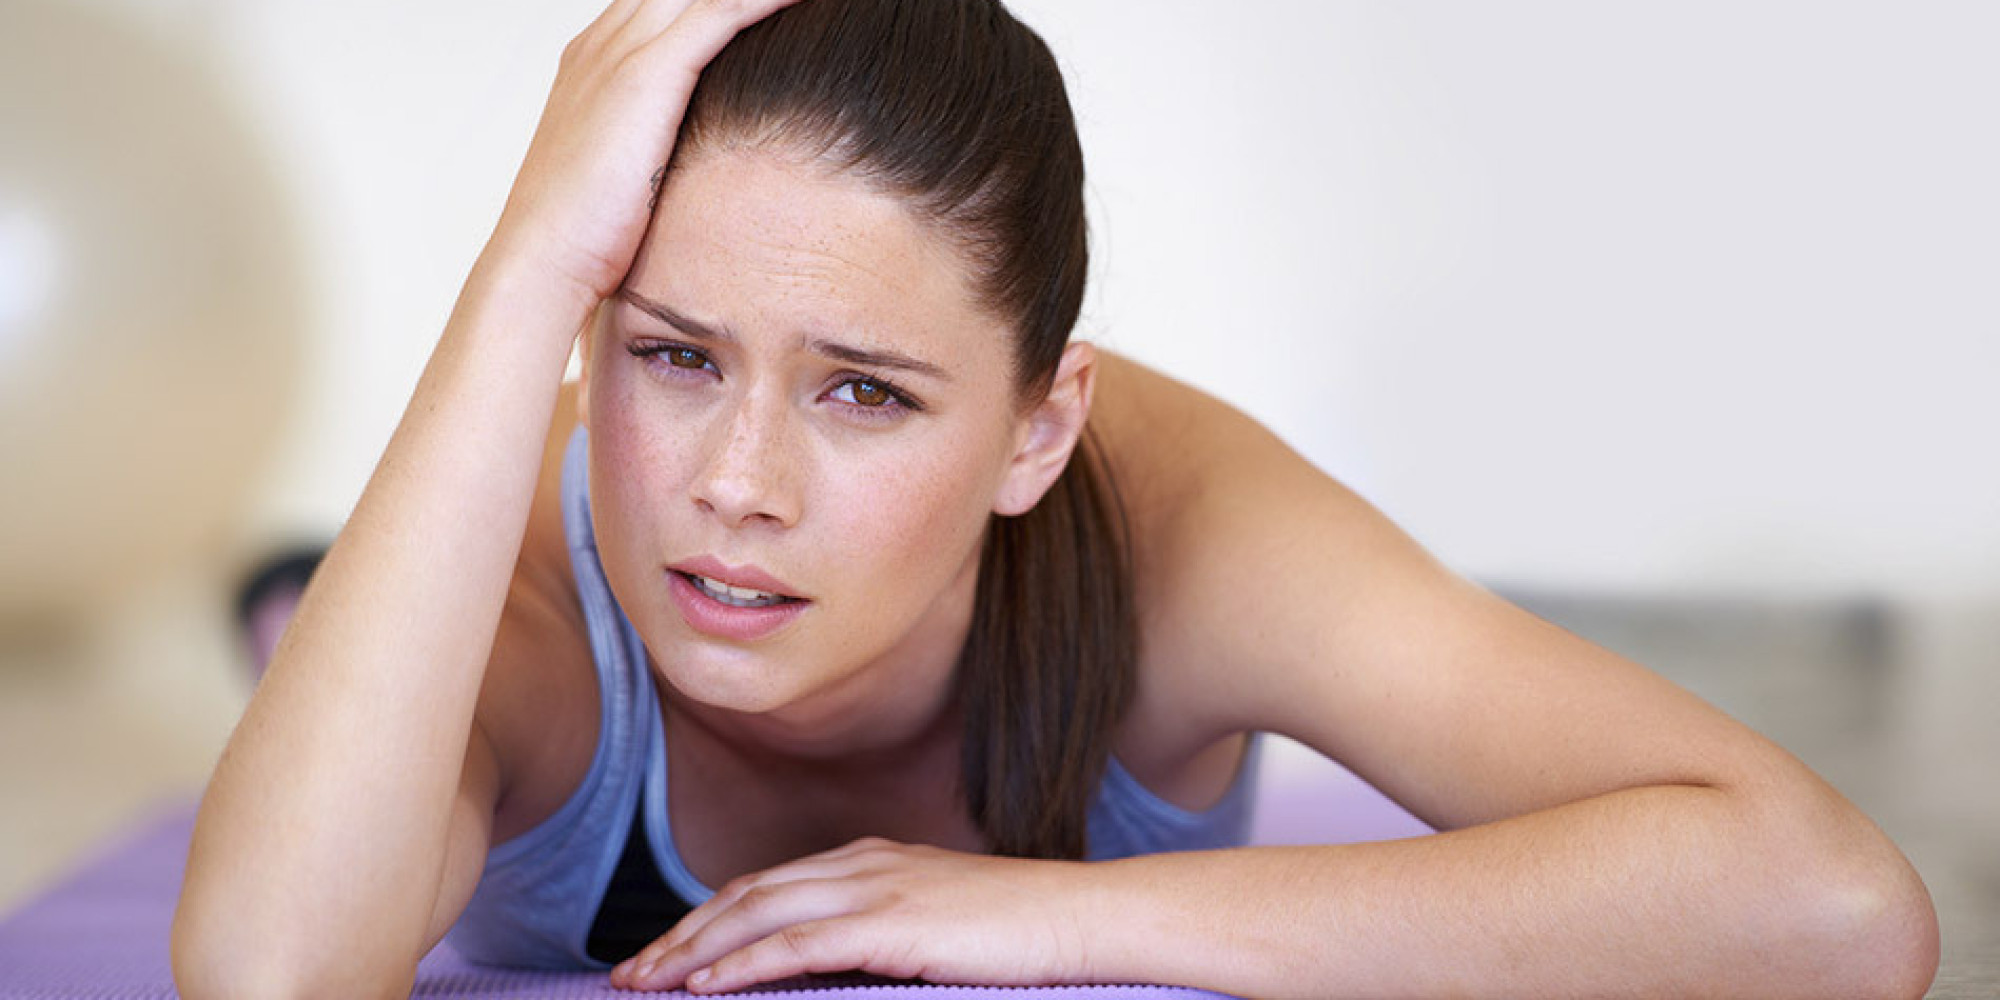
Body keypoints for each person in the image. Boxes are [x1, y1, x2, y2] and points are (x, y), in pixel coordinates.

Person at [170, 0, 1941, 996]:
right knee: (327, 625)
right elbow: (263, 979)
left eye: (866, 391)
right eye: (673, 355)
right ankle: (301, 594)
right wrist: (525, 270)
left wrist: (1043, 913)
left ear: (1039, 428)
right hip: (465, 580)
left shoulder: (1186, 528)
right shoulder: (538, 603)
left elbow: (1836, 911)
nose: (734, 489)